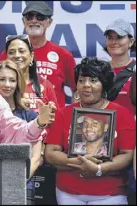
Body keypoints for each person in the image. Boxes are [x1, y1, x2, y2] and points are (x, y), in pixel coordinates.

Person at [44, 57, 136, 205]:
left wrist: (99, 168)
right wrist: (78, 162)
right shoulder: (63, 113)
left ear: (104, 84)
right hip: (68, 192)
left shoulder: (123, 115)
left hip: (110, 194)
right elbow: (50, 153)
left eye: (93, 80)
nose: (86, 85)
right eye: (81, 81)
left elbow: (127, 155)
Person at [0, 60, 44, 205]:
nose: (7, 84)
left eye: (12, 80)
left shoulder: (30, 116)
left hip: (21, 186)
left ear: (18, 83)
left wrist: (17, 181)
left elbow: (36, 157)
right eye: (2, 79)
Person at [0, 1, 76, 108]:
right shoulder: (8, 54)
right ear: (23, 21)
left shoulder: (63, 55)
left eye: (40, 17)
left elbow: (77, 89)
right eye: (29, 17)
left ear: (49, 22)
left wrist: (72, 116)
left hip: (52, 121)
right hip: (15, 119)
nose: (34, 20)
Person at [103, 19, 136, 205]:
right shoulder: (98, 70)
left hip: (131, 146)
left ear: (131, 41)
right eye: (110, 37)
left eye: (119, 37)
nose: (114, 41)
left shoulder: (136, 71)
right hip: (101, 146)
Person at [5, 34, 59, 112]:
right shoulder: (1, 86)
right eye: (11, 52)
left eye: (21, 51)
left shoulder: (46, 85)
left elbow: (56, 119)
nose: (16, 55)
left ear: (31, 56)